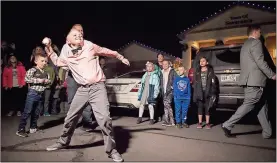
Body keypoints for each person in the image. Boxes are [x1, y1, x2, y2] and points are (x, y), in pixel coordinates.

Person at [43, 28, 130, 162]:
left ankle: (112, 150)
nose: (79, 35)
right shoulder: (66, 49)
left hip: (97, 88)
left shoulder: (89, 45)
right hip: (82, 89)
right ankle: (63, 141)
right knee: (70, 118)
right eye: (75, 34)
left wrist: (120, 56)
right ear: (68, 39)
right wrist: (48, 47)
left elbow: (105, 51)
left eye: (80, 34)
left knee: (105, 119)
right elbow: (57, 62)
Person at [221, 25, 276, 139]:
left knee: (261, 105)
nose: (260, 34)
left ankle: (267, 132)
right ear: (255, 32)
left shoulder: (245, 45)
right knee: (249, 104)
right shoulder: (256, 43)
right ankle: (227, 124)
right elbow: (260, 62)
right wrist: (272, 75)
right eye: (259, 32)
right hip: (255, 82)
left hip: (248, 81)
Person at [16, 54, 50, 137]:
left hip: (40, 94)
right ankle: (20, 129)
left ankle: (33, 128)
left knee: (36, 112)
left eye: (45, 61)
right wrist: (38, 80)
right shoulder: (33, 70)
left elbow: (49, 81)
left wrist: (47, 81)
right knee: (28, 111)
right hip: (33, 93)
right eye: (42, 61)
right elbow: (26, 79)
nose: (44, 63)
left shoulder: (46, 72)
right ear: (36, 61)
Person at [193, 57, 217, 129]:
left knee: (207, 108)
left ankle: (207, 123)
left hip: (208, 92)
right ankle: (200, 123)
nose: (202, 62)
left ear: (207, 62)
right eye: (200, 61)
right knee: (200, 108)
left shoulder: (210, 71)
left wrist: (212, 92)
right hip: (199, 92)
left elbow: (213, 83)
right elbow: (195, 83)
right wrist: (195, 93)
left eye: (203, 61)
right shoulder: (197, 71)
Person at [160, 60, 176, 126]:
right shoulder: (161, 72)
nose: (164, 65)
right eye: (163, 64)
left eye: (166, 64)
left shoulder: (172, 71)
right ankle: (166, 120)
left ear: (169, 64)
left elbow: (176, 79)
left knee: (168, 104)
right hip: (164, 91)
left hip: (170, 91)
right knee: (165, 105)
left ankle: (172, 121)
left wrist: (172, 87)